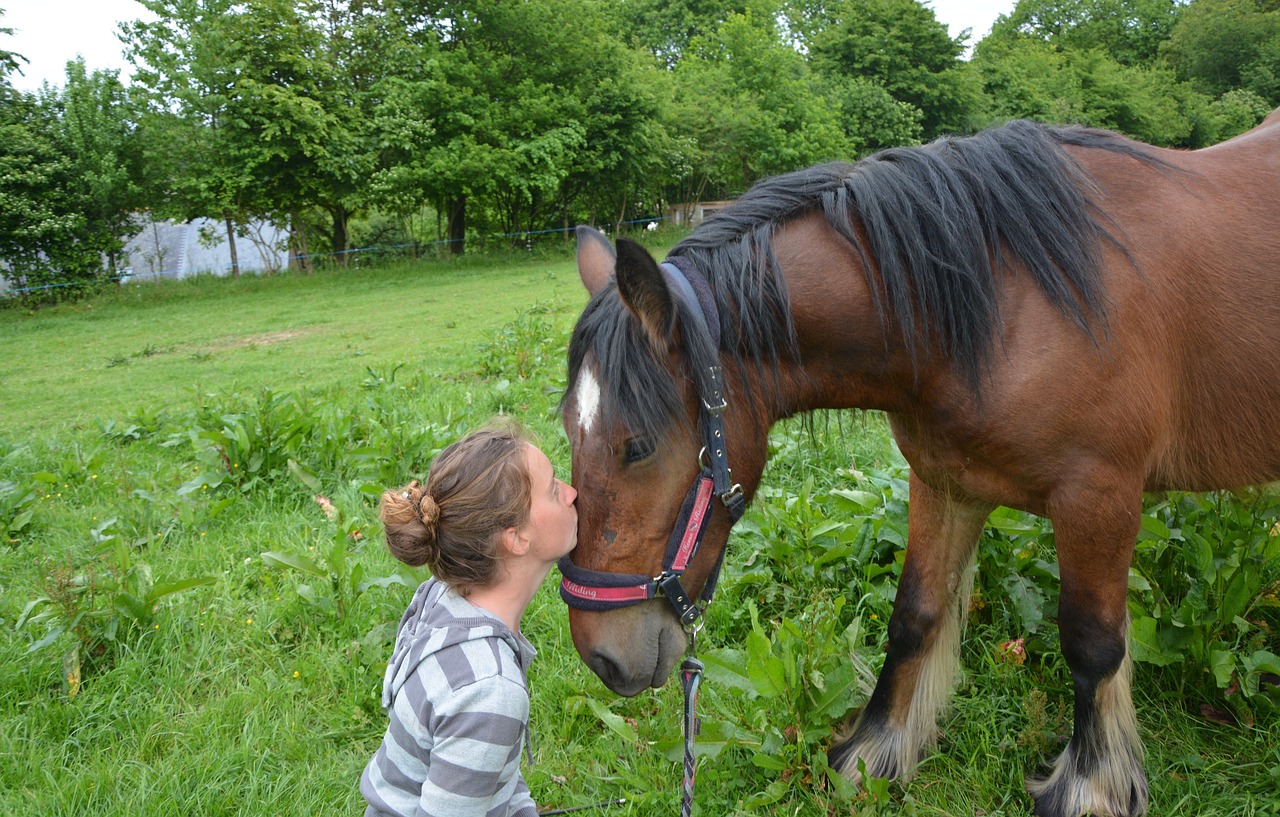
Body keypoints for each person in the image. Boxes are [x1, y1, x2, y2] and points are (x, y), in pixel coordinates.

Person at [360, 423, 578, 817]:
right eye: (553, 490)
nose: (572, 493)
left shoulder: (439, 597)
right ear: (516, 538)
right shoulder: (489, 691)